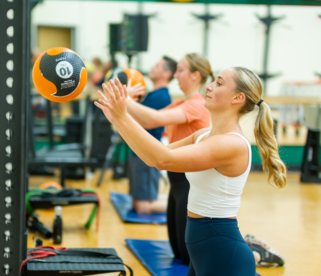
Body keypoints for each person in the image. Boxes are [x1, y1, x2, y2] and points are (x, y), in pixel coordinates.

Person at [95, 66, 287, 275]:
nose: (209, 86)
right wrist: (117, 119)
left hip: (223, 252)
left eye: (219, 83)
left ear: (238, 98)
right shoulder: (203, 135)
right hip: (201, 248)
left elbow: (162, 159)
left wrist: (123, 116)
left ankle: (256, 252)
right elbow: (153, 156)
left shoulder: (232, 145)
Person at [126, 53, 213, 265]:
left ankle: (252, 250)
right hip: (176, 179)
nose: (175, 75)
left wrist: (124, 99)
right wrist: (122, 103)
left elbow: (154, 118)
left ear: (195, 75)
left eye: (180, 70)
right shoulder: (181, 102)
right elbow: (146, 121)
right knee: (177, 252)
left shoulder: (196, 104)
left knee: (186, 256)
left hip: (190, 180)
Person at [126, 56, 176, 214]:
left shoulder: (162, 96)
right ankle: (177, 199)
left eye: (157, 66)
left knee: (143, 207)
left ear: (166, 74)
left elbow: (138, 119)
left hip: (146, 155)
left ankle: (185, 205)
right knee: (137, 202)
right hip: (137, 151)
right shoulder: (153, 95)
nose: (153, 68)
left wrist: (126, 98)